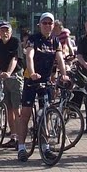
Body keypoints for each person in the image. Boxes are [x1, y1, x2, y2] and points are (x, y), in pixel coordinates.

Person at [17, 13, 68, 162]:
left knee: (45, 112)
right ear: (40, 25)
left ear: (53, 26)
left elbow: (60, 59)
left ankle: (45, 147)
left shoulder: (55, 41)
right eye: (44, 23)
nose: (47, 25)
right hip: (31, 80)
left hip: (46, 81)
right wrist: (32, 72)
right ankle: (21, 147)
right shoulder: (33, 39)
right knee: (25, 113)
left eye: (50, 23)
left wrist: (63, 74)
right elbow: (29, 56)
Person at [0, 20, 22, 149]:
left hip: (15, 77)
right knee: (8, 109)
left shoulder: (15, 42)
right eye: (2, 30)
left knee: (17, 109)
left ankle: (21, 137)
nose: (5, 33)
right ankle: (13, 136)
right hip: (3, 78)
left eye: (7, 30)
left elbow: (15, 58)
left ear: (11, 31)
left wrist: (9, 72)